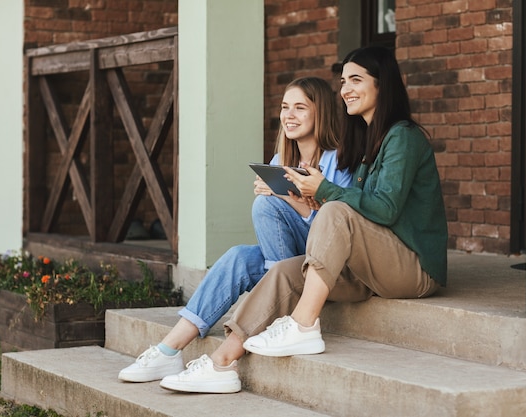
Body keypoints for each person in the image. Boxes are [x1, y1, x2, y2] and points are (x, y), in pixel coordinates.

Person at [151, 46, 448, 394]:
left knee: (336, 211)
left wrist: (322, 191)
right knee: (282, 270)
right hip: (372, 265)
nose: (346, 89)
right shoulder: (371, 140)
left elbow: (384, 209)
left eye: (356, 80)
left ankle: (302, 325)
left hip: (413, 267)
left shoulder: (402, 136)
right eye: (343, 81)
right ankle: (221, 363)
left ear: (383, 86)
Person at [117, 77, 352, 386]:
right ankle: (168, 350)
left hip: (323, 268)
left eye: (299, 108)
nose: (289, 116)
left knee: (264, 207)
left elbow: (336, 230)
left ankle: (277, 304)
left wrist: (288, 201)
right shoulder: (282, 161)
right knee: (238, 256)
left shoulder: (341, 163)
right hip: (290, 263)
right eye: (284, 107)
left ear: (320, 113)